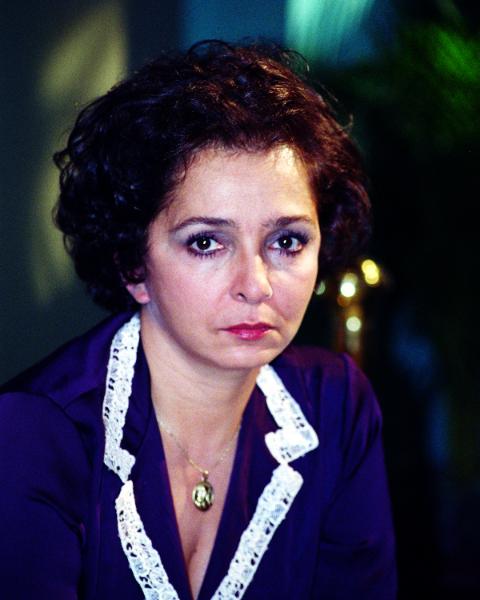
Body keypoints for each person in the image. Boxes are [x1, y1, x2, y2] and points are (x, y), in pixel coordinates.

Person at [0, 41, 396, 599]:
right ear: (133, 263)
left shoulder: (336, 408)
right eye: (207, 242)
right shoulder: (34, 433)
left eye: (287, 241)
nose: (256, 284)